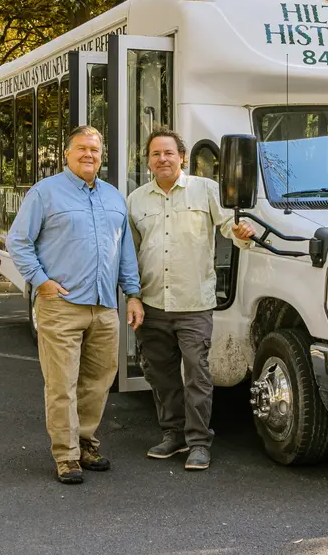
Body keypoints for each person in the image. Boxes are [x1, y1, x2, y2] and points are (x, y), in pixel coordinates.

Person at [7, 125, 144, 484]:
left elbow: (124, 250)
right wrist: (41, 281)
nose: (89, 155)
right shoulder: (45, 193)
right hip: (61, 305)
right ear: (67, 153)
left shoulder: (114, 197)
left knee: (98, 382)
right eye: (82, 148)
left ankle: (86, 443)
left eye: (95, 150)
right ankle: (66, 456)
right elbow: (19, 241)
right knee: (62, 383)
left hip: (104, 306)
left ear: (102, 157)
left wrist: (132, 293)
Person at [127, 128, 256, 471]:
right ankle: (173, 435)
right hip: (152, 304)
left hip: (194, 304)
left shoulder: (206, 190)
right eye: (155, 154)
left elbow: (231, 227)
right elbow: (130, 253)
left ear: (182, 157)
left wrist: (242, 233)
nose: (162, 159)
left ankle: (199, 442)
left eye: (169, 153)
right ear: (149, 161)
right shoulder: (136, 200)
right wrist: (132, 296)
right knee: (161, 374)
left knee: (197, 375)